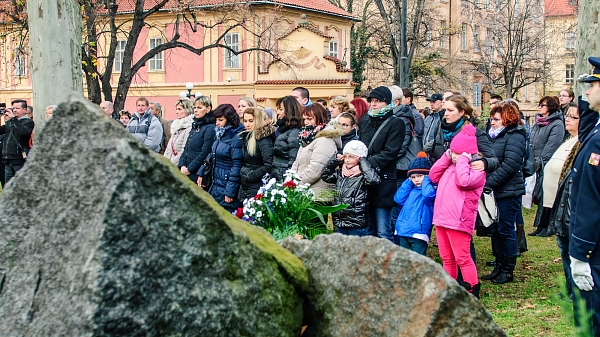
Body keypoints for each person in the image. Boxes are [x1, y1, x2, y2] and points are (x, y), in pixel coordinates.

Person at [429, 124, 486, 298]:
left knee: (462, 257)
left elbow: (463, 182)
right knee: (447, 258)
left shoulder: (475, 170)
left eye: (458, 153)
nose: (454, 155)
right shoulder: (449, 166)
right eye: (452, 151)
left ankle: (472, 288)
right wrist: (446, 158)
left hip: (459, 220)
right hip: (442, 218)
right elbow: (433, 175)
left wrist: (463, 160)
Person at [569, 56, 600, 335]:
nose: (586, 91)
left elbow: (592, 199)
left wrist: (581, 252)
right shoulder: (596, 129)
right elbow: (587, 124)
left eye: (593, 84)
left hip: (595, 248)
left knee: (593, 323)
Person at [481, 102, 527, 285]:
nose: (492, 123)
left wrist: (488, 183)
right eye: (491, 119)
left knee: (506, 230)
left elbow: (510, 164)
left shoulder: (515, 136)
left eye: (496, 119)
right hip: (494, 190)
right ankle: (498, 266)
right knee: (496, 230)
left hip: (508, 191)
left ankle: (507, 270)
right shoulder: (492, 136)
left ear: (507, 120)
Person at [357, 86, 405, 242]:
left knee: (383, 230)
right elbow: (361, 146)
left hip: (383, 179)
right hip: (365, 180)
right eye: (372, 101)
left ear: (387, 102)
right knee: (368, 229)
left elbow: (390, 152)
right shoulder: (365, 121)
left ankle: (388, 262)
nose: (374, 104)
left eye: (378, 101)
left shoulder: (396, 123)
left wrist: (364, 163)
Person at [546, 103, 580, 302]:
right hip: (558, 204)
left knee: (570, 249)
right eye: (567, 116)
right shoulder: (569, 140)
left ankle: (574, 290)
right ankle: (570, 286)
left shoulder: (582, 142)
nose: (567, 119)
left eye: (573, 117)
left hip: (568, 206)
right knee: (564, 247)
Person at [426, 95, 499, 173]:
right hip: (441, 180)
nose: (446, 114)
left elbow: (493, 160)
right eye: (445, 110)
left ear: (461, 112)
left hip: (463, 180)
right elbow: (433, 156)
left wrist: (484, 163)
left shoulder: (474, 132)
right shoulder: (440, 128)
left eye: (450, 110)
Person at [321, 140, 380, 236]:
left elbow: (373, 180)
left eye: (351, 157)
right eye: (345, 157)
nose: (347, 160)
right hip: (340, 221)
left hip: (357, 223)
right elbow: (325, 175)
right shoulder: (341, 173)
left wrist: (362, 162)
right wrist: (336, 161)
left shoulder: (364, 174)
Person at [528, 95, 566, 236]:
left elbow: (552, 146)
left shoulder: (557, 124)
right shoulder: (538, 122)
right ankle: (540, 226)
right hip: (535, 162)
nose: (539, 107)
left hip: (547, 164)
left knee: (547, 196)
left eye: (542, 105)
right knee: (540, 196)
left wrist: (539, 161)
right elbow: (531, 142)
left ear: (550, 107)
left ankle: (547, 227)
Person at [198, 104, 244, 212]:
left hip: (225, 185)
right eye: (216, 120)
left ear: (229, 120)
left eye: (220, 120)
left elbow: (237, 166)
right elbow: (212, 155)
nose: (217, 123)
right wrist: (201, 172)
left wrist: (230, 191)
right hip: (216, 184)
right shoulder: (220, 135)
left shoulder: (235, 138)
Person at [291, 104, 342, 201]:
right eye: (304, 119)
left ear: (320, 118)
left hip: (318, 195)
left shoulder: (324, 140)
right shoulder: (307, 138)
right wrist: (290, 179)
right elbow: (297, 163)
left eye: (309, 119)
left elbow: (316, 169)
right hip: (305, 191)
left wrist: (295, 184)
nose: (306, 122)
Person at [393, 151, 435, 255]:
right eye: (413, 177)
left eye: (419, 176)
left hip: (419, 233)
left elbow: (428, 196)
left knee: (418, 261)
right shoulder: (411, 189)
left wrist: (427, 180)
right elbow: (398, 198)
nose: (416, 180)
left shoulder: (430, 190)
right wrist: (408, 181)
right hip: (403, 231)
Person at [239, 107, 276, 201]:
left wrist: (251, 176)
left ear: (258, 120)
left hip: (257, 184)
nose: (247, 124)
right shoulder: (247, 136)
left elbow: (269, 164)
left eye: (251, 121)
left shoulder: (264, 140)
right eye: (245, 121)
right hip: (246, 184)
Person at [179, 96, 215, 186]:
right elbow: (186, 148)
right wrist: (182, 165)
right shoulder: (196, 125)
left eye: (199, 108)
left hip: (197, 173)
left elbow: (205, 152)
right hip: (186, 171)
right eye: (194, 107)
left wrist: (189, 169)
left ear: (208, 109)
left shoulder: (210, 127)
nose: (195, 110)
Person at [0, 100, 34, 183]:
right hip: (8, 159)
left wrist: (13, 119)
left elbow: (23, 131)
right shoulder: (10, 122)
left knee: (20, 185)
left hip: (19, 160)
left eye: (17, 108)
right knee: (7, 187)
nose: (14, 110)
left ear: (25, 110)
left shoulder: (28, 122)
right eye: (13, 108)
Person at [271, 95, 303, 180]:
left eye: (281, 109)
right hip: (278, 174)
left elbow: (294, 160)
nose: (277, 112)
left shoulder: (295, 132)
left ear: (289, 111)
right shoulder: (283, 130)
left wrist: (288, 180)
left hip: (284, 177)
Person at [163, 99, 193, 166]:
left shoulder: (189, 127)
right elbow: (169, 148)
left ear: (188, 110)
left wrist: (171, 164)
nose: (176, 112)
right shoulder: (175, 126)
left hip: (178, 165)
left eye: (180, 109)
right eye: (176, 109)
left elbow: (183, 150)